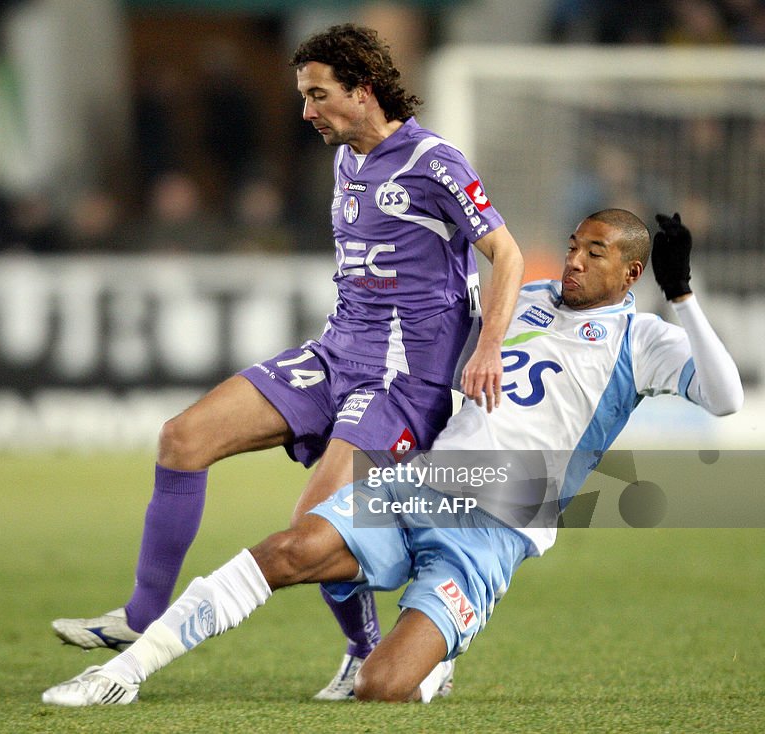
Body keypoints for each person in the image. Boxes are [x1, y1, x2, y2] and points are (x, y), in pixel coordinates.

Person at [41, 209, 742, 706]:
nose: (575, 260)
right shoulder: (521, 300)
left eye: (594, 252)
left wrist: (682, 298)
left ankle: (420, 659)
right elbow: (440, 342)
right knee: (293, 546)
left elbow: (725, 399)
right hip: (433, 480)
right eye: (572, 246)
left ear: (632, 269)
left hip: (505, 517)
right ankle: (127, 672)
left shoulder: (646, 340)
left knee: (386, 690)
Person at [50, 24, 525, 699]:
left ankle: (366, 652)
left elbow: (504, 253)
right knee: (182, 438)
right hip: (336, 353)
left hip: (399, 379)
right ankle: (140, 615)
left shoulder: (434, 160)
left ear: (362, 92)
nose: (306, 111)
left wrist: (488, 346)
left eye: (317, 95)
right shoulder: (344, 159)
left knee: (314, 525)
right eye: (303, 95)